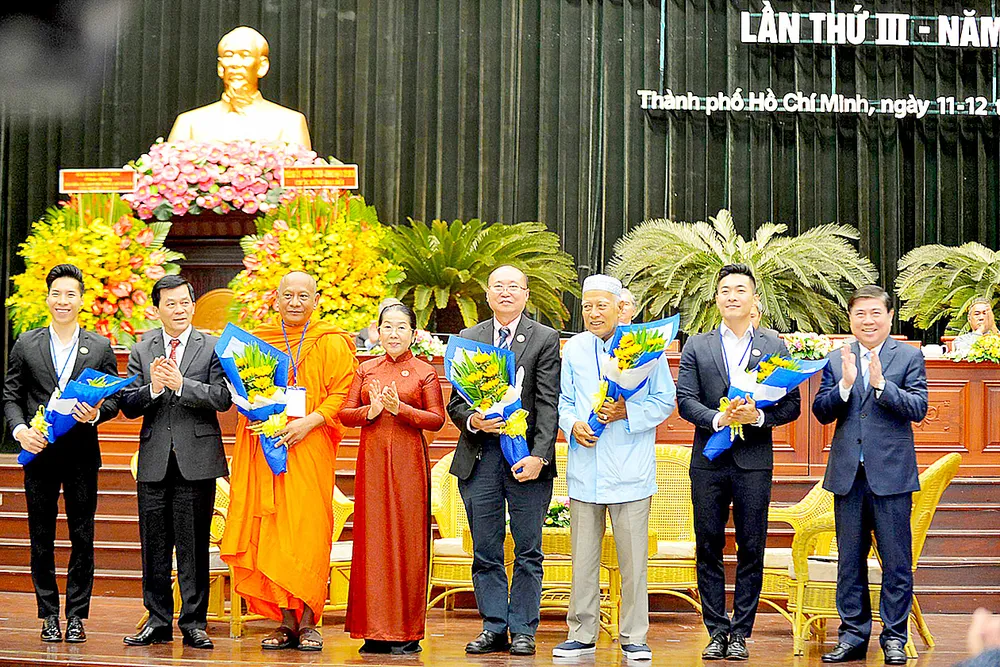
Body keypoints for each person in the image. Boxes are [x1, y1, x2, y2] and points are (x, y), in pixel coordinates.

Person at [220, 271, 357, 652]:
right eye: (288, 296)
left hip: (310, 445)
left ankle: (310, 620)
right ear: (276, 300)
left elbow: (343, 392)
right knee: (273, 530)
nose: (295, 302)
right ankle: (283, 621)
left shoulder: (330, 341)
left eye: (303, 296)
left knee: (309, 532)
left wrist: (310, 423)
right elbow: (240, 388)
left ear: (316, 301)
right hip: (267, 445)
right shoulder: (258, 341)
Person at [676, 263, 801, 661]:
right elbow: (685, 400)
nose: (732, 296)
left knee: (751, 546)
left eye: (740, 290)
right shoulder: (697, 345)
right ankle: (715, 630)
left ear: (754, 300)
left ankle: (741, 632)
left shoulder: (774, 345)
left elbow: (792, 405)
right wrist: (719, 418)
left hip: (753, 461)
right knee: (708, 543)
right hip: (708, 461)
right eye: (725, 290)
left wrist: (758, 417)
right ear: (716, 299)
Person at [552, 275, 676, 662]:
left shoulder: (645, 349)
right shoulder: (573, 349)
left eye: (601, 305)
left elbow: (664, 401)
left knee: (633, 562)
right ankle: (581, 632)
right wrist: (571, 423)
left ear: (619, 308)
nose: (593, 313)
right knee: (583, 559)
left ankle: (634, 636)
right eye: (587, 306)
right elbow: (563, 399)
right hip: (585, 469)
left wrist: (627, 411)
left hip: (630, 471)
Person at [446, 264, 561, 656]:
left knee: (529, 548)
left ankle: (524, 628)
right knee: (486, 548)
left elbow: (548, 403)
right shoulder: (468, 337)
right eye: (498, 287)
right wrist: (473, 420)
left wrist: (541, 457)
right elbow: (456, 403)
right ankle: (494, 625)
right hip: (480, 459)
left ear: (526, 294)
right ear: (488, 294)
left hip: (525, 460)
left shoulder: (544, 338)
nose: (506, 293)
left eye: (514, 287)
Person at [2, 264, 120, 643]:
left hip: (82, 454)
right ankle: (49, 614)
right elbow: (11, 395)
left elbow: (115, 397)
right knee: (41, 536)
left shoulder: (99, 346)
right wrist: (20, 430)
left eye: (71, 294)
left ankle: (76, 616)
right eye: (57, 294)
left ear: (82, 301)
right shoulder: (26, 343)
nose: (63, 301)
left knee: (82, 535)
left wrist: (98, 412)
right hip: (39, 454)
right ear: (48, 298)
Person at [813, 285, 928, 666]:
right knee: (850, 560)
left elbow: (918, 408)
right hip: (848, 475)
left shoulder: (909, 357)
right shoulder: (835, 359)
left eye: (875, 313)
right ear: (850, 319)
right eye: (860, 313)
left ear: (889, 316)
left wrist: (881, 385)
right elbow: (822, 412)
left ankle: (894, 636)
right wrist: (845, 385)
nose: (868, 320)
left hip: (892, 475)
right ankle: (852, 636)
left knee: (896, 560)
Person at [120, 275, 232, 649]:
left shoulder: (212, 346)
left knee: (194, 544)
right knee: (153, 545)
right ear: (157, 309)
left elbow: (221, 398)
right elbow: (128, 405)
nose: (179, 309)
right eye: (170, 303)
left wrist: (182, 384)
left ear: (193, 305)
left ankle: (194, 622)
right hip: (154, 460)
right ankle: (157, 620)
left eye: (184, 302)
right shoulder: (142, 348)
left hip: (196, 459)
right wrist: (153, 388)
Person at [338, 303, 446, 655]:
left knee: (407, 541)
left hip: (408, 466)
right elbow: (344, 414)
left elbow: (436, 420)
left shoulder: (424, 371)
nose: (394, 334)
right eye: (388, 327)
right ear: (377, 332)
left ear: (413, 334)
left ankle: (406, 631)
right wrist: (370, 411)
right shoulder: (366, 369)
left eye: (402, 328)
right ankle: (372, 629)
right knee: (373, 543)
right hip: (372, 464)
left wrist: (403, 410)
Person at [168, 27, 312, 147]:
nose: (235, 63)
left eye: (245, 55)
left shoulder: (290, 122)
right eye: (229, 55)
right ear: (220, 67)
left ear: (262, 66)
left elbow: (301, 177)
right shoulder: (189, 123)